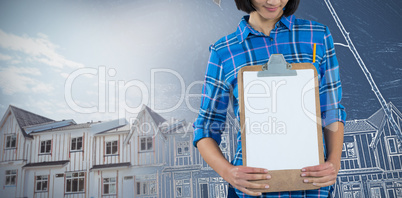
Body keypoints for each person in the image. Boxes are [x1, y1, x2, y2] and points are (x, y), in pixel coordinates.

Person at [193, 0, 346, 197]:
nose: (274, 1)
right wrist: (229, 173)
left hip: (313, 186)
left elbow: (331, 110)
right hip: (251, 189)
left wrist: (333, 163)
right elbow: (206, 126)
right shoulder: (223, 51)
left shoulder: (318, 36)